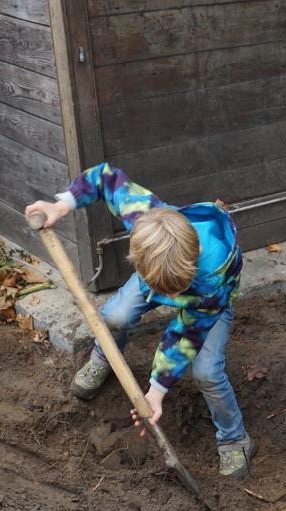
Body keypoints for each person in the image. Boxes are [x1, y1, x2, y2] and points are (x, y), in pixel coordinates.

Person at [25, 165, 255, 480]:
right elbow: (105, 179)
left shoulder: (213, 274)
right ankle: (104, 357)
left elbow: (184, 335)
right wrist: (61, 205)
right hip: (157, 277)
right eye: (166, 290)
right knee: (113, 316)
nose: (171, 296)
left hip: (208, 304)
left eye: (175, 290)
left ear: (196, 252)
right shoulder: (147, 220)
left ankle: (234, 438)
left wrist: (156, 390)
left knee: (207, 373)